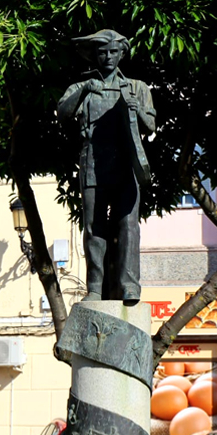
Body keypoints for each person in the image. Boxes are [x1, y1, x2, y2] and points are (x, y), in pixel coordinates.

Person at [57, 29, 156, 303]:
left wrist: (136, 110)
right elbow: (63, 113)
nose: (108, 57)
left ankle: (130, 285)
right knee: (94, 228)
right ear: (94, 56)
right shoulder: (81, 87)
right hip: (93, 163)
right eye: (102, 52)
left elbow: (151, 125)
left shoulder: (138, 87)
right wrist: (84, 92)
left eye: (113, 51)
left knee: (128, 226)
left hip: (127, 165)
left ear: (122, 53)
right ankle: (94, 288)